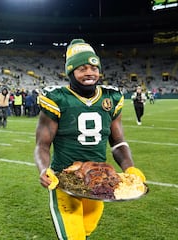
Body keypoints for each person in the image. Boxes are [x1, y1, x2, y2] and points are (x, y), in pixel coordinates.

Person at [34, 39, 146, 240]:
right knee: (74, 236)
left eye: (94, 67)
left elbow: (118, 141)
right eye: (82, 68)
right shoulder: (57, 98)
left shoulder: (110, 98)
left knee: (87, 229)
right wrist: (44, 169)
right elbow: (42, 144)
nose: (90, 72)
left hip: (99, 180)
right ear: (71, 71)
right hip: (65, 181)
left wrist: (130, 168)